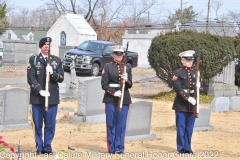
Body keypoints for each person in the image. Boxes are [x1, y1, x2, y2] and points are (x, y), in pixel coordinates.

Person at [27, 37, 64, 155]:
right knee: (37, 124)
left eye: (48, 45)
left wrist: (53, 73)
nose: (47, 47)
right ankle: (39, 147)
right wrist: (39, 90)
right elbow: (31, 77)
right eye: (44, 45)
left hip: (52, 98)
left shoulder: (56, 60)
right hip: (37, 98)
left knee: (50, 125)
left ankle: (47, 147)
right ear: (40, 46)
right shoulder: (34, 59)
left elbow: (61, 78)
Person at [101, 45, 132, 154]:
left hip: (124, 98)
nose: (119, 56)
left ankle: (120, 147)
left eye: (121, 54)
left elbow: (130, 85)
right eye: (117, 54)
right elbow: (104, 85)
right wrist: (114, 93)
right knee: (111, 124)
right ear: (113, 55)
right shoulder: (108, 67)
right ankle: (112, 148)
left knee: (121, 124)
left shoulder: (127, 67)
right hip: (110, 99)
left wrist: (126, 80)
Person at [171, 50, 203, 154]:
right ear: (182, 61)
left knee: (189, 128)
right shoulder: (177, 73)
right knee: (181, 127)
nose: (190, 62)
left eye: (191, 60)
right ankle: (180, 148)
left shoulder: (196, 73)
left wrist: (200, 87)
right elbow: (177, 88)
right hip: (181, 104)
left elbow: (201, 87)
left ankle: (188, 148)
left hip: (192, 104)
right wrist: (187, 98)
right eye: (188, 60)